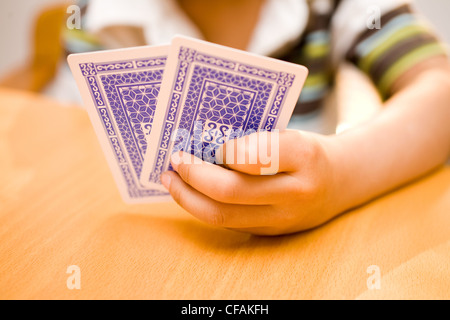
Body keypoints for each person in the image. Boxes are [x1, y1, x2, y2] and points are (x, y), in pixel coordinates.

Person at [72, 0, 450, 235]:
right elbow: (67, 137)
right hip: (152, 243)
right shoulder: (95, 16)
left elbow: (441, 93)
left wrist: (338, 175)